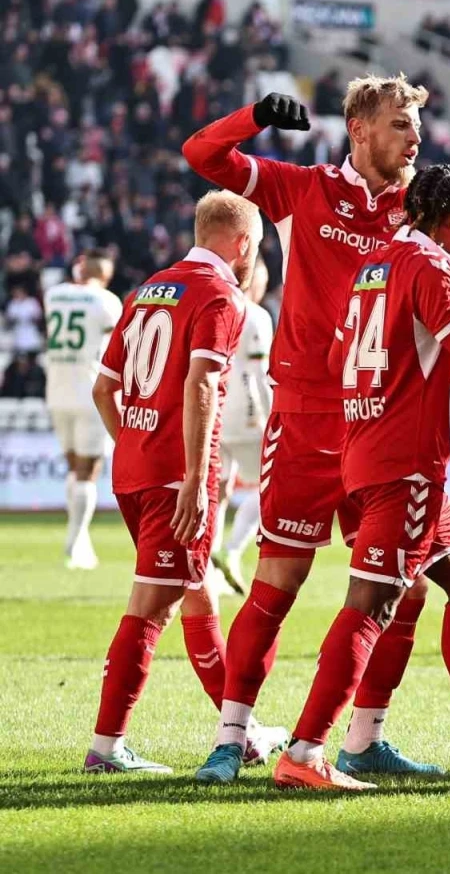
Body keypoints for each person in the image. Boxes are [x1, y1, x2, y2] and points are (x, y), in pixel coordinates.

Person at [184, 76, 450, 784]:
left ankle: (365, 738)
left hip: (380, 420)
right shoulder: (304, 189)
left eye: (416, 125)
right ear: (358, 129)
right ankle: (233, 739)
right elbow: (203, 155)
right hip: (308, 421)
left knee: (409, 589)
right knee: (279, 583)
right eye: (399, 125)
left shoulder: (417, 210)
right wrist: (254, 117)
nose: (415, 139)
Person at [272, 164, 450, 791]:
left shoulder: (374, 264)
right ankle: (304, 752)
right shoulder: (430, 268)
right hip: (403, 464)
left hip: (368, 449)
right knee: (371, 603)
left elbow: (338, 357)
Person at [83, 191, 286, 775]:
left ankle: (242, 731)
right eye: (255, 247)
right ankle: (106, 747)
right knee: (151, 608)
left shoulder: (148, 289)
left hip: (134, 471)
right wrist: (197, 478)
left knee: (196, 593)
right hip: (176, 479)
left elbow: (103, 389)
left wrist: (135, 446)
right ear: (242, 243)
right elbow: (201, 384)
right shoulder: (222, 296)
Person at [43, 250, 122, 570]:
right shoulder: (107, 302)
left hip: (56, 390)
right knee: (88, 470)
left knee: (73, 466)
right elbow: (113, 348)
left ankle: (80, 537)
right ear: (105, 276)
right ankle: (75, 541)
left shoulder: (54, 295)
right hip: (89, 392)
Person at [210, 258, 273, 595]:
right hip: (246, 413)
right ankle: (231, 550)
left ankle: (209, 568)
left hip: (213, 411)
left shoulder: (214, 306)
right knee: (274, 485)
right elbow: (260, 375)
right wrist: (273, 415)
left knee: (218, 489)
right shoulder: (256, 314)